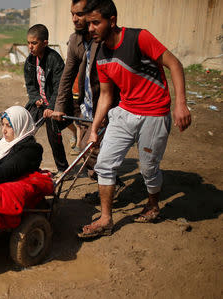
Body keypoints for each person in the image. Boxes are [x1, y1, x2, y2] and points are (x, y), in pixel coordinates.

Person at [78, 0, 192, 238]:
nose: (90, 29)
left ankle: (153, 205)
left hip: (155, 113)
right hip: (125, 112)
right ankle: (106, 219)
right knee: (104, 164)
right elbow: (106, 96)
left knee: (149, 169)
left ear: (112, 21)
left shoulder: (139, 38)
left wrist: (180, 104)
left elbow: (175, 64)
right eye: (88, 24)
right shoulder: (100, 54)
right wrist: (94, 129)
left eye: (96, 23)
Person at [52, 0, 119, 180]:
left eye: (79, 14)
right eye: (72, 14)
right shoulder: (75, 40)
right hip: (85, 105)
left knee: (90, 148)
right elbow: (67, 76)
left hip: (107, 104)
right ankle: (101, 178)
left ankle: (107, 182)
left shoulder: (105, 37)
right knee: (85, 147)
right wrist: (59, 106)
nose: (74, 19)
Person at [24, 24, 74, 176]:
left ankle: (63, 169)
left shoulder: (55, 60)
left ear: (44, 43)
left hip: (57, 103)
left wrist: (52, 107)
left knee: (53, 132)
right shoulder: (30, 61)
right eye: (28, 43)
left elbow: (60, 87)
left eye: (34, 43)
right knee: (24, 126)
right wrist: (36, 98)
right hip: (41, 103)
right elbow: (30, 85)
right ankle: (24, 165)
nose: (30, 47)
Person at [0, 106, 43, 194]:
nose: (4, 131)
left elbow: (11, 167)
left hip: (11, 189)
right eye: (3, 125)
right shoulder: (4, 143)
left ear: (19, 125)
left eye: (8, 126)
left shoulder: (31, 149)